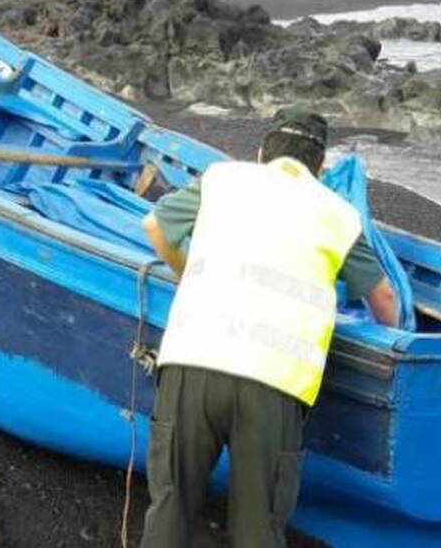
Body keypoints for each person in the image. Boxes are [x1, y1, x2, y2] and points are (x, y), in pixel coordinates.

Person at [138, 110, 398, 548]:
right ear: (320, 169)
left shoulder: (223, 179)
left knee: (172, 504)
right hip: (275, 385)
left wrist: (185, 273)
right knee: (259, 526)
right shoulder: (338, 213)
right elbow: (384, 298)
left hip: (192, 363)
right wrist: (391, 338)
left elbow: (155, 226)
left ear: (262, 155)